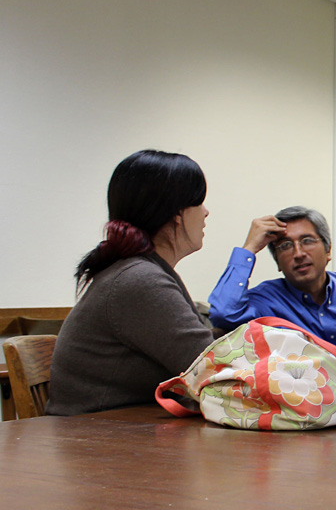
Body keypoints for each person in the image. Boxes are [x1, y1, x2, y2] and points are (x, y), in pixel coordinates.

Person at [48, 150, 215, 415]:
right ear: (176, 212)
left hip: (116, 431)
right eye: (200, 201)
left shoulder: (140, 271)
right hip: (97, 440)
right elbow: (212, 366)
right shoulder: (139, 280)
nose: (206, 212)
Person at [208, 206, 336, 360]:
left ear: (328, 251)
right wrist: (249, 249)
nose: (298, 253)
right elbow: (223, 313)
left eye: (307, 241)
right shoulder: (266, 300)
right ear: (278, 264)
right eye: (285, 246)